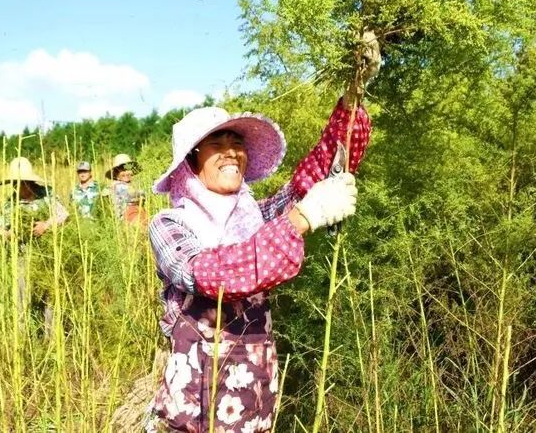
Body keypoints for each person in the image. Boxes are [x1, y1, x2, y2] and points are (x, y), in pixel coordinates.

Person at [145, 98, 370, 432]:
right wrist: (302, 218)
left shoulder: (255, 218)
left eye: (237, 144)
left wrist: (352, 102)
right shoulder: (169, 225)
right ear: (190, 162)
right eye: (216, 144)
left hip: (254, 399)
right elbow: (208, 274)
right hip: (197, 405)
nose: (231, 152)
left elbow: (309, 181)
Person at [0, 157, 68, 336]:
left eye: (21, 183)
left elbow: (64, 215)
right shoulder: (10, 203)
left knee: (50, 298)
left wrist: (46, 225)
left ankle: (51, 338)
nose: (18, 187)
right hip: (22, 257)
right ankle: (24, 339)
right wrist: (12, 234)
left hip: (47, 255)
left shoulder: (46, 195)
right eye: (14, 183)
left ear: (29, 181)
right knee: (21, 298)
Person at [106, 153, 147, 223]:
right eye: (122, 170)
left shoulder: (131, 185)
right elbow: (134, 194)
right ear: (116, 174)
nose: (126, 172)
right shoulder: (117, 186)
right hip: (126, 224)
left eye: (128, 169)